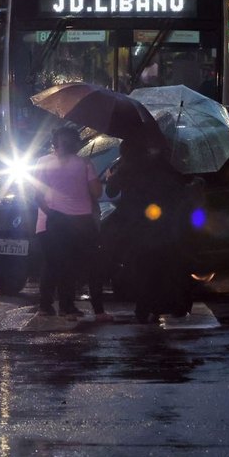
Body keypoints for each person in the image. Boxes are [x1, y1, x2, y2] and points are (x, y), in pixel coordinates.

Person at [102, 135, 197, 323]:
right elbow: (179, 188)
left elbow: (111, 191)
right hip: (164, 224)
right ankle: (173, 305)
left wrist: (111, 178)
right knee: (166, 266)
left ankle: (144, 308)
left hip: (136, 226)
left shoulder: (126, 169)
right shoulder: (163, 166)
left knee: (142, 269)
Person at [33, 126, 104, 320]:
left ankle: (45, 305)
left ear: (54, 143)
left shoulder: (43, 163)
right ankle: (67, 306)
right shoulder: (84, 164)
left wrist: (51, 214)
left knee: (51, 264)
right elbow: (97, 192)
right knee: (71, 265)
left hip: (50, 222)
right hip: (80, 222)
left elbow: (37, 196)